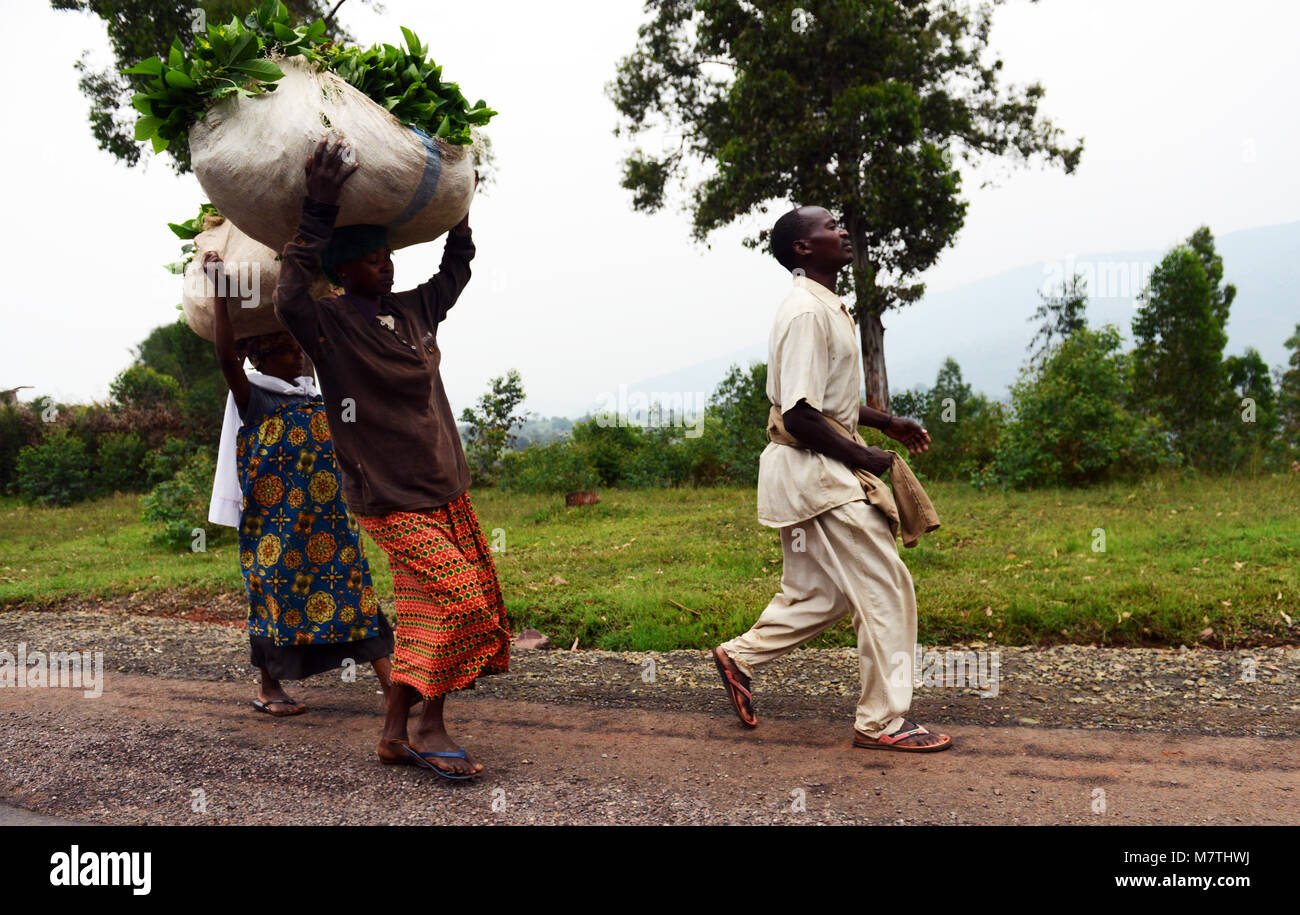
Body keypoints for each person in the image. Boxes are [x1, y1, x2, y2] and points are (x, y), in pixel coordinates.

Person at [273, 137, 509, 779]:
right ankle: (428, 729)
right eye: (371, 260)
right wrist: (317, 210)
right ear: (342, 269)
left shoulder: (414, 310)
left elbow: (454, 270)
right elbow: (287, 294)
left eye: (387, 257)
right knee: (461, 603)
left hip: (445, 489)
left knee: (430, 611)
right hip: (387, 497)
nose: (386, 268)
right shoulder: (326, 323)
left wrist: (459, 205)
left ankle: (394, 733)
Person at [711, 205, 952, 752]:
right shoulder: (803, 313)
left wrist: (886, 422)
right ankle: (883, 722)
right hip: (813, 474)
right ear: (802, 248)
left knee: (819, 593)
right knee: (887, 587)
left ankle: (740, 656)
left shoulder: (824, 305)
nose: (841, 231)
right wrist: (864, 458)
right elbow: (798, 414)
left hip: (808, 473)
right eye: (829, 226)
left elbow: (825, 400)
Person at [204, 252, 395, 717]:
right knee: (275, 600)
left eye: (296, 347)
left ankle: (395, 691)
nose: (296, 356)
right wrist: (222, 296)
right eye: (286, 350)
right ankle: (270, 688)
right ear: (258, 356)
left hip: (332, 524)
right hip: (277, 527)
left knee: (358, 596)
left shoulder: (313, 392)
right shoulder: (254, 396)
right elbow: (225, 356)